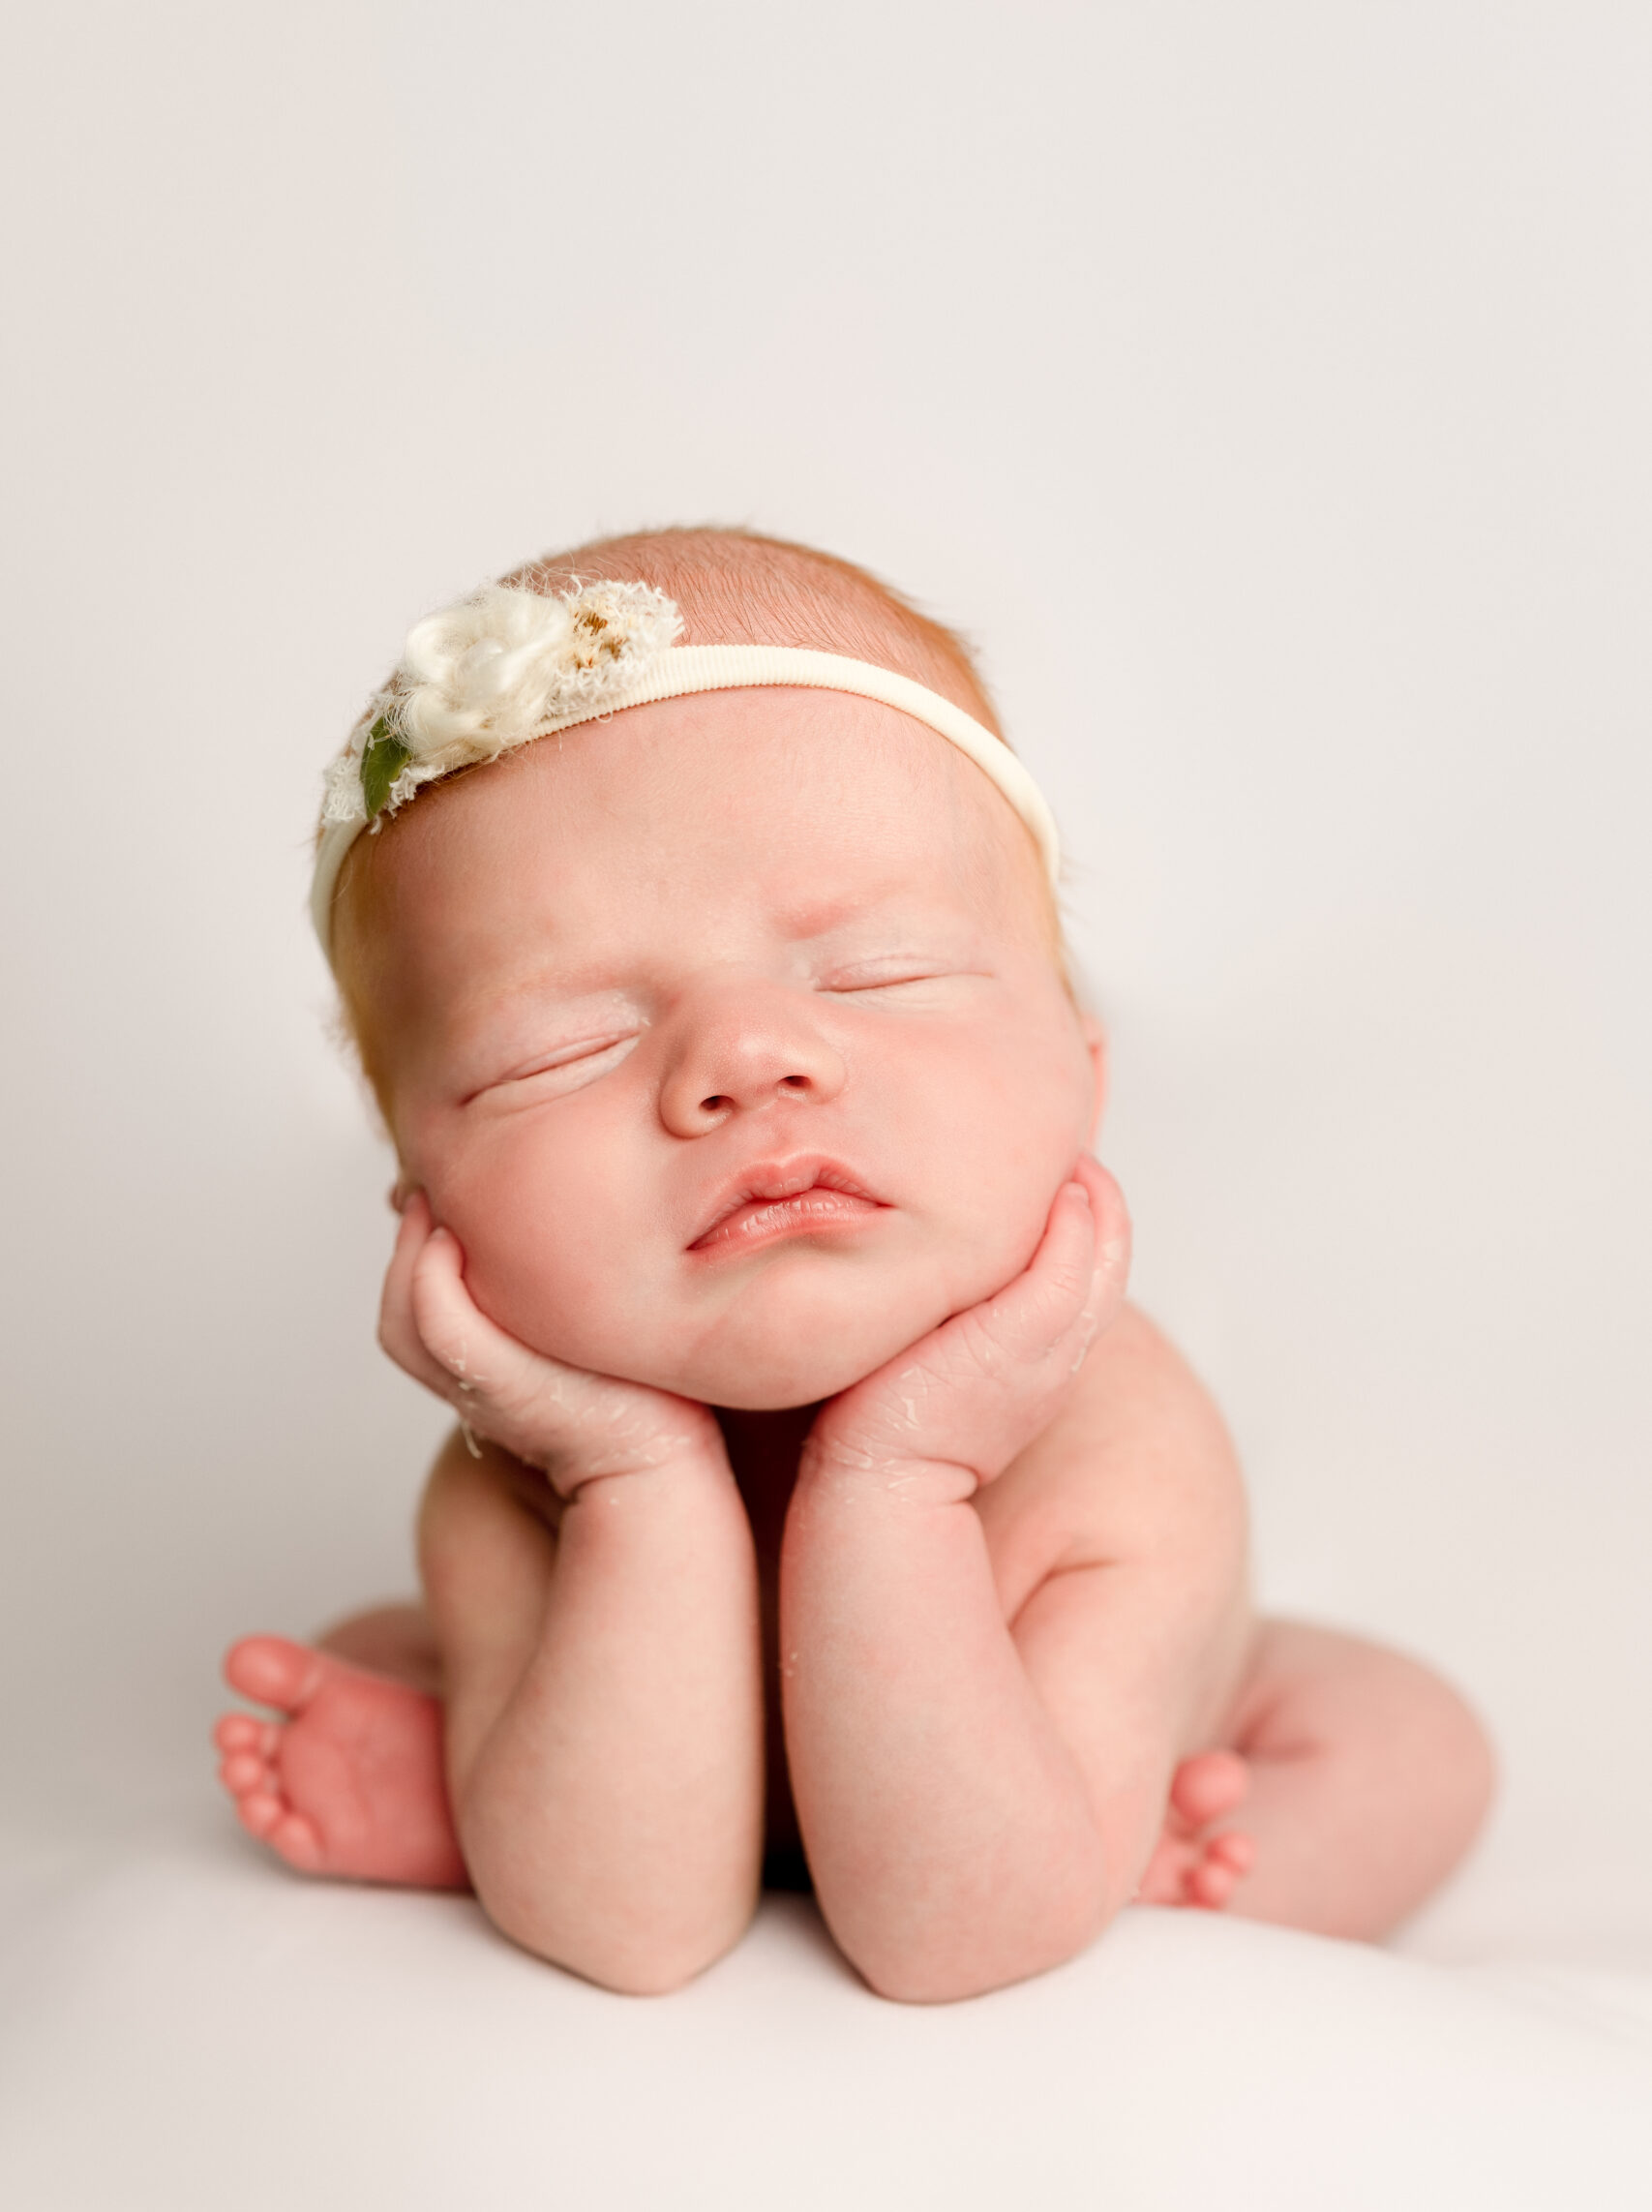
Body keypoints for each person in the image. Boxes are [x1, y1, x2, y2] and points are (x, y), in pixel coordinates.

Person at [213, 528, 1494, 2001]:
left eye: (874, 972)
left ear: (1081, 1068)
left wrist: (907, 1471)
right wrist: (625, 1472)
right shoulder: (510, 1486)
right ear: (426, 1206)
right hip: (672, 1765)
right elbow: (634, 1933)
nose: (746, 1060)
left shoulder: (1119, 1448)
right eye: (563, 1049)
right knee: (382, 1648)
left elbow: (947, 1942)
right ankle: (515, 1797)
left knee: (1404, 1739)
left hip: (1054, 1763)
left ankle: (1120, 1845)